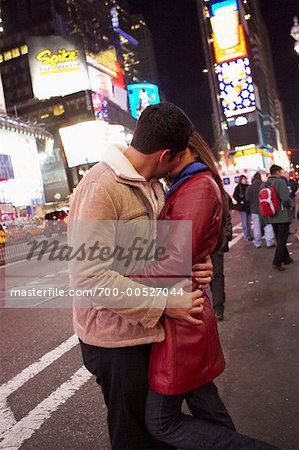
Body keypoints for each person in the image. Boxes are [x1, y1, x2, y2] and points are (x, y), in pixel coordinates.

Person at [68, 102, 213, 449]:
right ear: (166, 154)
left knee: (159, 429)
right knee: (133, 436)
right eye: (178, 159)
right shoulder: (101, 187)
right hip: (113, 341)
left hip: (145, 331)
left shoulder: (152, 184)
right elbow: (89, 277)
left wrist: (194, 264)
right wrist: (166, 304)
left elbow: (152, 252)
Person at [138, 132, 277, 449]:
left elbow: (174, 259)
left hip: (182, 318)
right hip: (185, 313)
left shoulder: (197, 188)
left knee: (161, 421)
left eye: (162, 152)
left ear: (180, 151)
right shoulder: (188, 185)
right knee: (209, 412)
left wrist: (114, 273)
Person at [261, 164, 293, 271]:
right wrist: (291, 205)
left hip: (271, 215)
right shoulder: (280, 182)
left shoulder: (264, 184)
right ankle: (277, 262)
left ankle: (286, 258)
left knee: (279, 238)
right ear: (277, 172)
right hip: (282, 215)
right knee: (282, 239)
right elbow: (285, 198)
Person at [211, 192, 233, 321]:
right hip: (201, 245)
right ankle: (218, 298)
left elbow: (227, 217)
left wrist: (225, 237)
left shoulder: (219, 193)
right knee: (209, 277)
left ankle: (218, 307)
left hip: (216, 243)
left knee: (217, 275)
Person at [246, 172, 275, 248]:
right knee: (267, 225)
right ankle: (269, 241)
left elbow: (247, 199)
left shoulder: (250, 187)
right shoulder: (264, 185)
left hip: (254, 210)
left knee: (256, 227)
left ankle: (257, 242)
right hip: (264, 208)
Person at [233, 175, 253, 241]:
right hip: (242, 207)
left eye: (245, 179)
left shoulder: (248, 186)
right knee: (244, 222)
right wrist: (240, 200)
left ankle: (250, 235)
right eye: (243, 179)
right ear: (240, 180)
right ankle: (246, 236)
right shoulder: (238, 187)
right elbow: (234, 195)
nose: (244, 180)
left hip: (248, 206)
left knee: (249, 222)